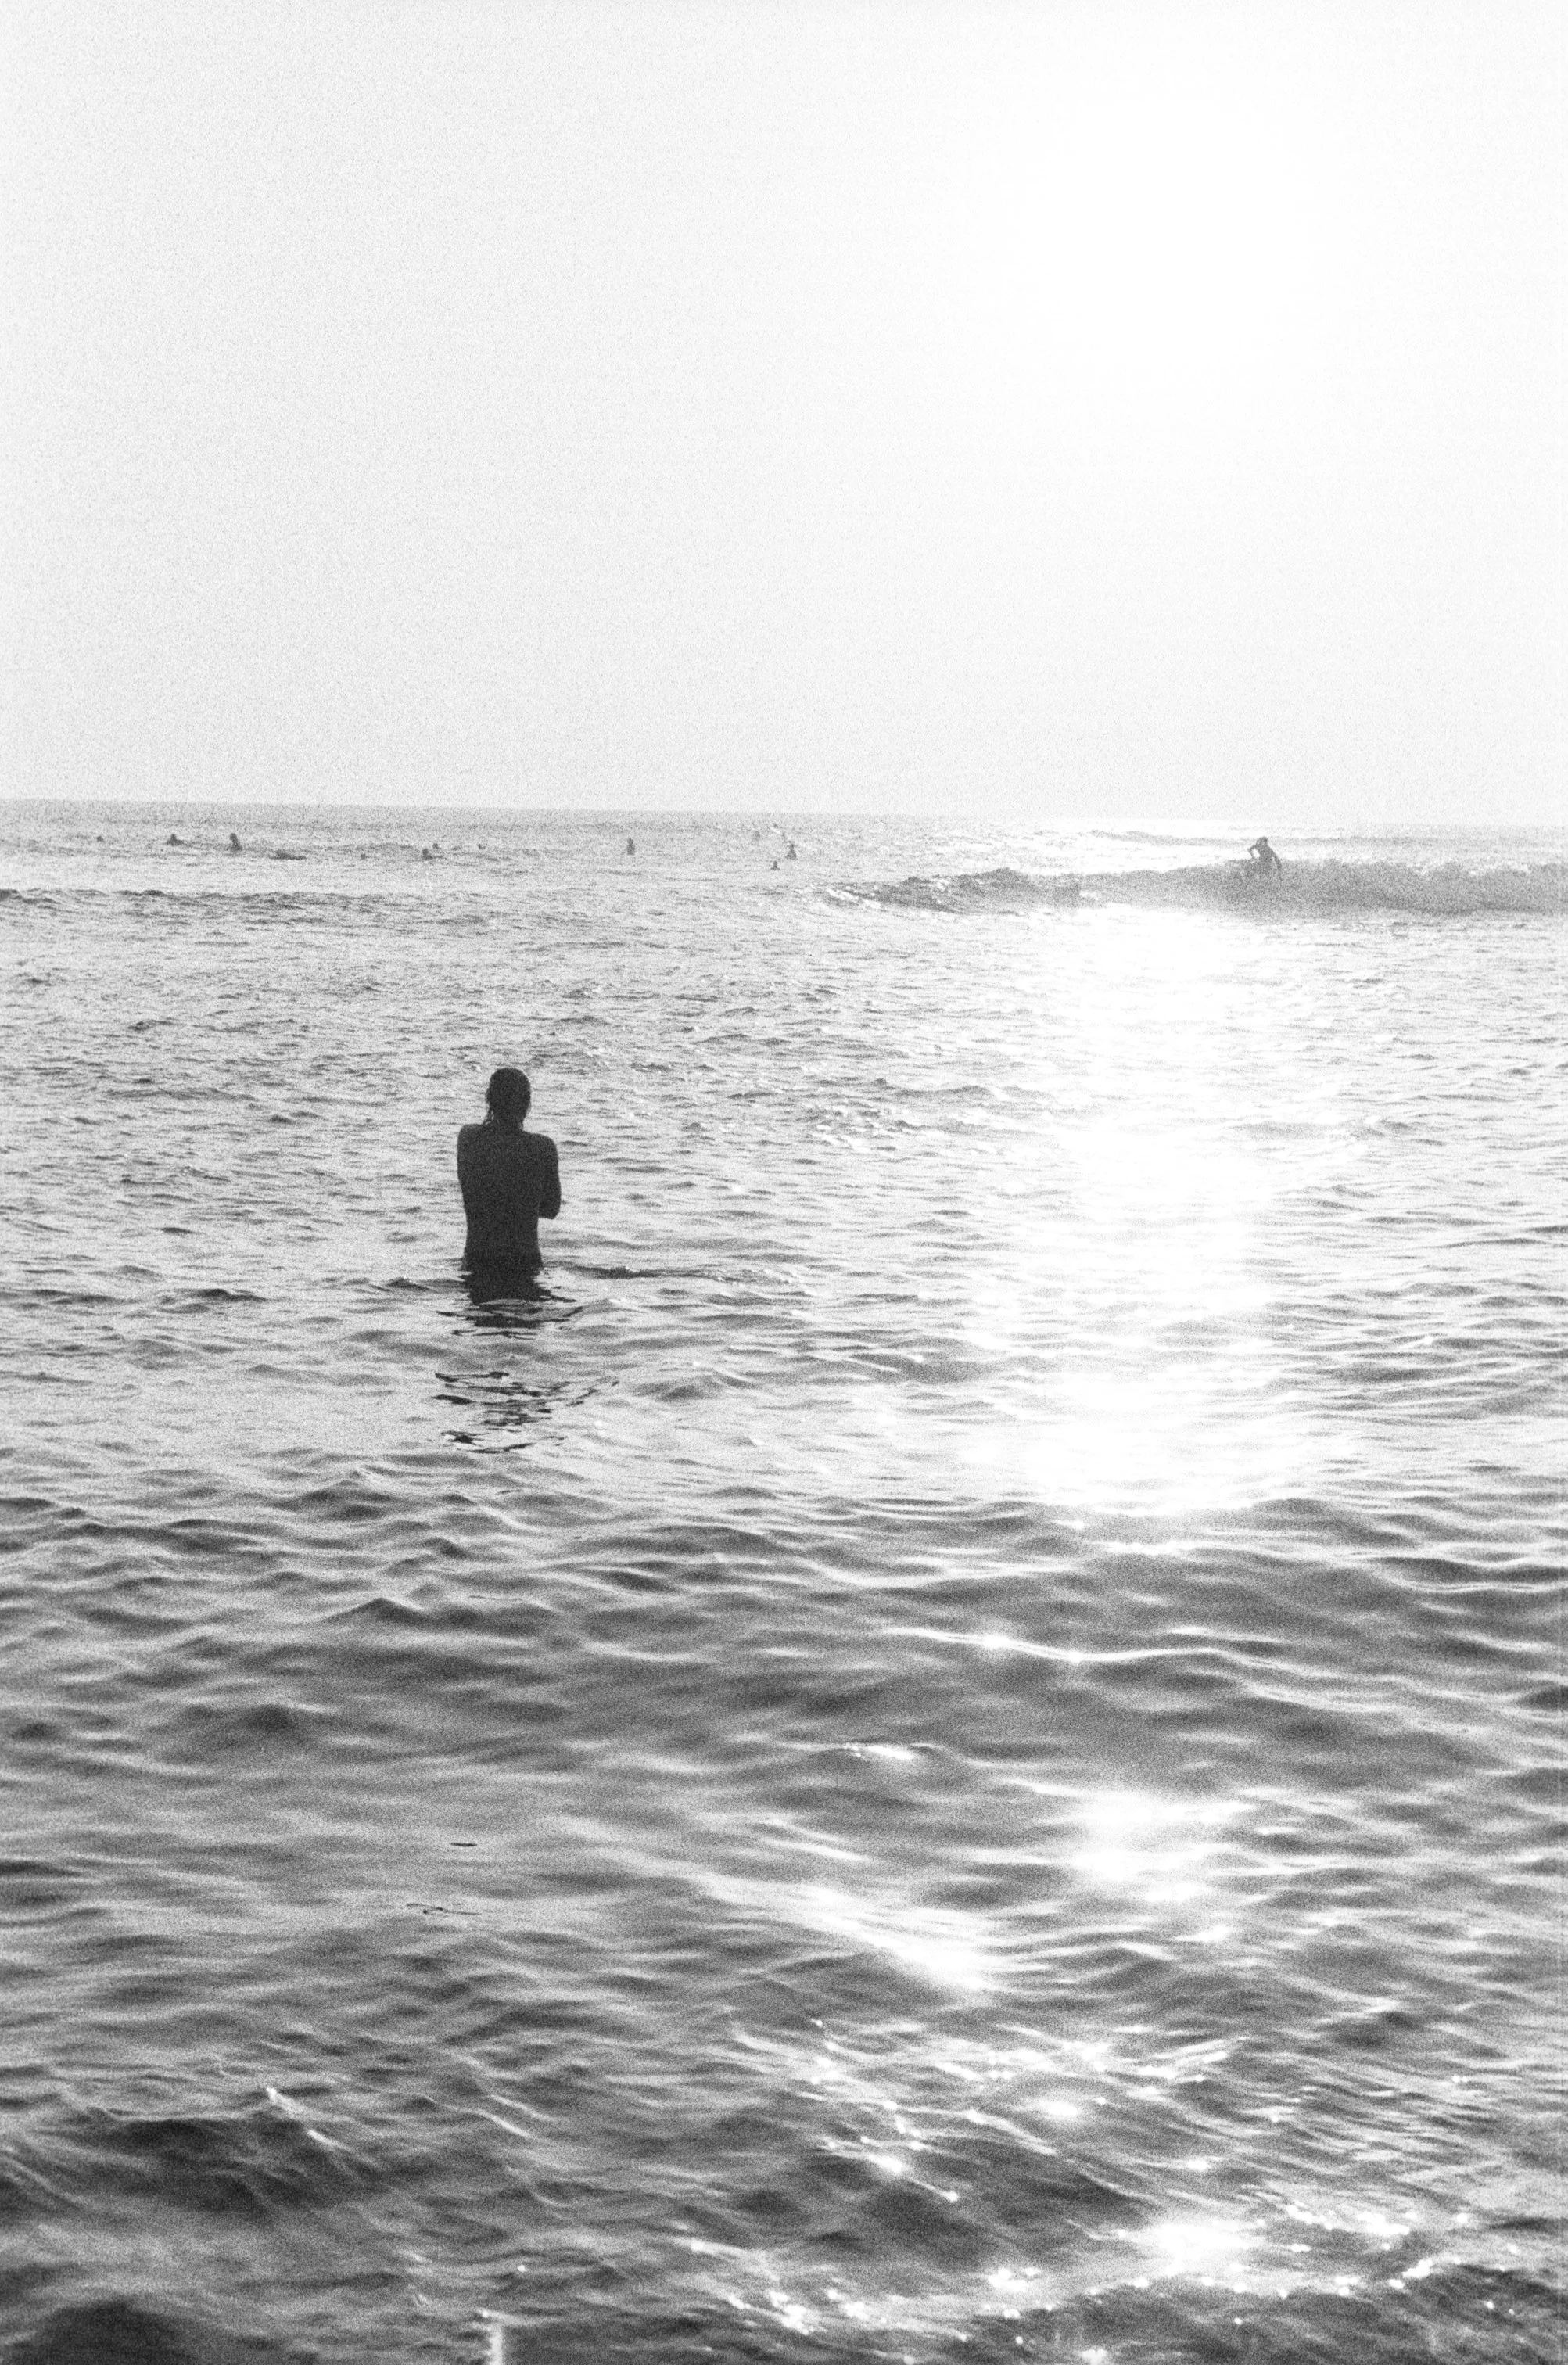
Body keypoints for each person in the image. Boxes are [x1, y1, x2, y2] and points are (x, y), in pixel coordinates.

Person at [457, 1068, 561, 1283]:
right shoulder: (542, 1148)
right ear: (527, 1105)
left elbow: (472, 1191)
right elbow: (551, 1210)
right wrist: (522, 1202)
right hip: (524, 1260)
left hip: (479, 1258)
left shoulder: (468, 1139)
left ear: (490, 1100)